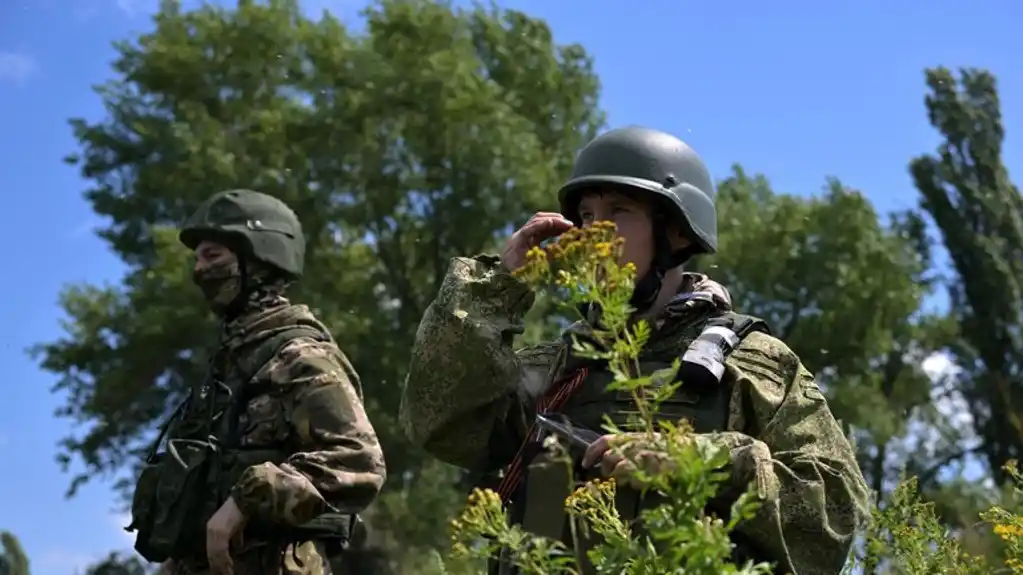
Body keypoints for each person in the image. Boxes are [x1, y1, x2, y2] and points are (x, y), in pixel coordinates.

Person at [400, 127, 871, 575]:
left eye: (618, 211)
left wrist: (696, 461)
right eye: (585, 216)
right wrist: (496, 289)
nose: (592, 234)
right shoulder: (557, 369)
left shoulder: (751, 364)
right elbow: (440, 423)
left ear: (677, 232)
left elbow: (835, 511)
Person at [127, 189, 386, 575]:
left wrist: (246, 499)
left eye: (212, 255)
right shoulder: (227, 370)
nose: (199, 270)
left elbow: (358, 461)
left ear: (258, 258)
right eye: (197, 258)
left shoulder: (300, 357)